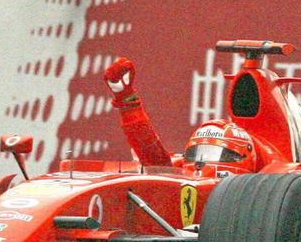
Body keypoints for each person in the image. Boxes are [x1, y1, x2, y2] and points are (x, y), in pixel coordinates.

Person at [104, 56, 262, 173]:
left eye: (215, 154)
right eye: (197, 153)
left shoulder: (274, 175)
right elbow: (153, 156)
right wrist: (127, 100)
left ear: (242, 158)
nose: (201, 165)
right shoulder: (185, 170)